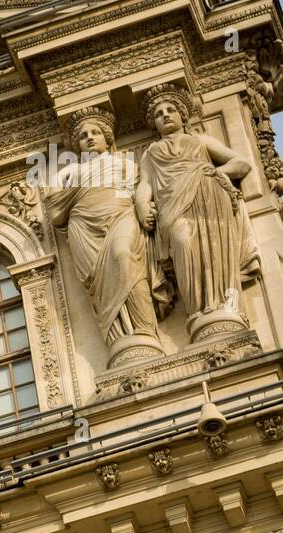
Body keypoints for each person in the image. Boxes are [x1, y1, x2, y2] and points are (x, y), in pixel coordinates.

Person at [136, 84, 260, 338]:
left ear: (183, 114)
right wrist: (141, 207)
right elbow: (145, 185)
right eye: (159, 114)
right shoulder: (151, 153)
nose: (165, 115)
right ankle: (199, 310)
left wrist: (215, 172)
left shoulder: (200, 140)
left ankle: (223, 309)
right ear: (154, 123)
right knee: (182, 243)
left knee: (215, 249)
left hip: (210, 199)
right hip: (172, 208)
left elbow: (241, 163)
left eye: (171, 110)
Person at [46, 107, 168, 364]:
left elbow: (139, 192)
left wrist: (143, 207)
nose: (90, 137)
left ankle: (144, 331)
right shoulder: (69, 174)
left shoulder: (125, 164)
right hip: (83, 227)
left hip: (121, 214)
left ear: (108, 137)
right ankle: (122, 339)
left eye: (96, 132)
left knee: (123, 256)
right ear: (77, 145)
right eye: (83, 135)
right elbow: (56, 210)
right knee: (99, 283)